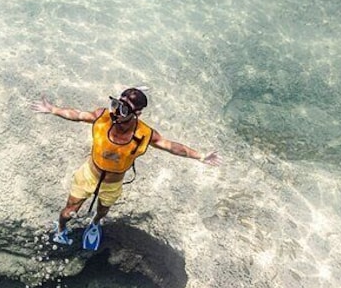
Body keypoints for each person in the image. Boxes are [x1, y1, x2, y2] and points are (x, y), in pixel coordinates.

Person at [30, 87, 221, 248]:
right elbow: (78, 115)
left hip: (113, 184)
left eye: (122, 110)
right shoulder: (103, 117)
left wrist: (200, 156)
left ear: (136, 114)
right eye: (115, 105)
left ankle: (95, 223)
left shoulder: (144, 134)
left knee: (103, 210)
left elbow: (171, 146)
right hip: (88, 175)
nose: (115, 112)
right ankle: (61, 229)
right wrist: (53, 109)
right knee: (69, 211)